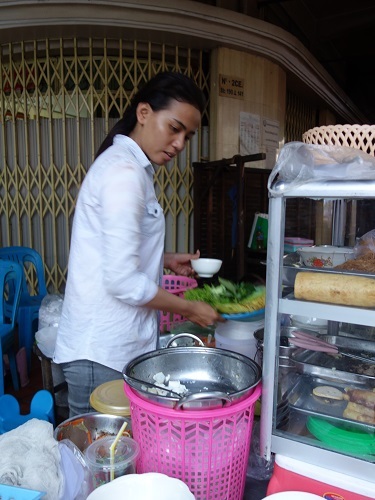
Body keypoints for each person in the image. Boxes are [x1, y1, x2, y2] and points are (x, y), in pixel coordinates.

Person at [54, 71, 224, 417]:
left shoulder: (134, 169)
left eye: (187, 136)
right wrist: (189, 308)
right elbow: (122, 280)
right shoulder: (124, 174)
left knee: (111, 455)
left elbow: (115, 251)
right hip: (100, 351)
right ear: (143, 113)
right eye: (174, 129)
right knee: (98, 460)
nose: (179, 144)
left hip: (111, 345)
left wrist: (165, 258)